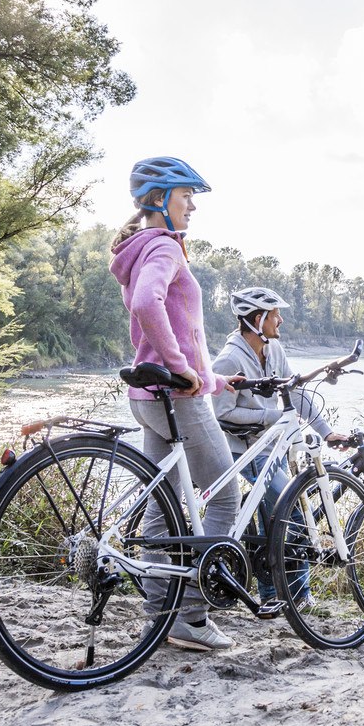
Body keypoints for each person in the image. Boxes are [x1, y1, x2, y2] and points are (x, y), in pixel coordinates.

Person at [109, 156, 242, 652]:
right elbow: (149, 304)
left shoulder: (138, 247)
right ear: (160, 199)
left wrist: (211, 377)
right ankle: (192, 613)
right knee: (225, 494)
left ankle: (159, 619)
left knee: (162, 509)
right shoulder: (163, 246)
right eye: (187, 196)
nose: (193, 207)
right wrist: (183, 369)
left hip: (148, 397)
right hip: (174, 396)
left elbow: (176, 330)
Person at [211, 286, 347, 607]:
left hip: (273, 445)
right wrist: (271, 417)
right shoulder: (230, 359)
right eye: (275, 315)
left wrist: (326, 433)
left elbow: (295, 393)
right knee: (293, 510)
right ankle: (299, 596)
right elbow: (221, 413)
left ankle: (271, 593)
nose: (280, 320)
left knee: (272, 514)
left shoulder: (273, 350)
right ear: (258, 319)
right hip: (241, 447)